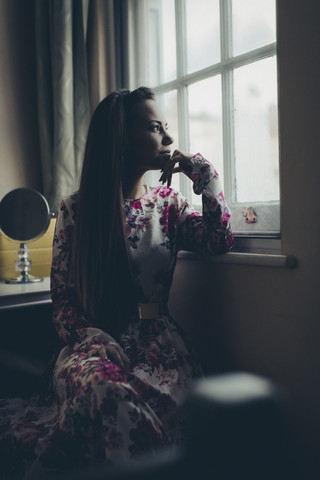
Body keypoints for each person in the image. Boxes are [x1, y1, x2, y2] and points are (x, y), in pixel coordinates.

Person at [0, 87, 234, 478]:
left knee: (147, 406)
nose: (169, 139)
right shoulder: (75, 209)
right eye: (155, 127)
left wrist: (203, 173)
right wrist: (94, 337)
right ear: (121, 138)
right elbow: (63, 305)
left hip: (160, 348)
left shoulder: (168, 205)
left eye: (166, 128)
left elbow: (218, 240)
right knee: (104, 391)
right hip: (92, 344)